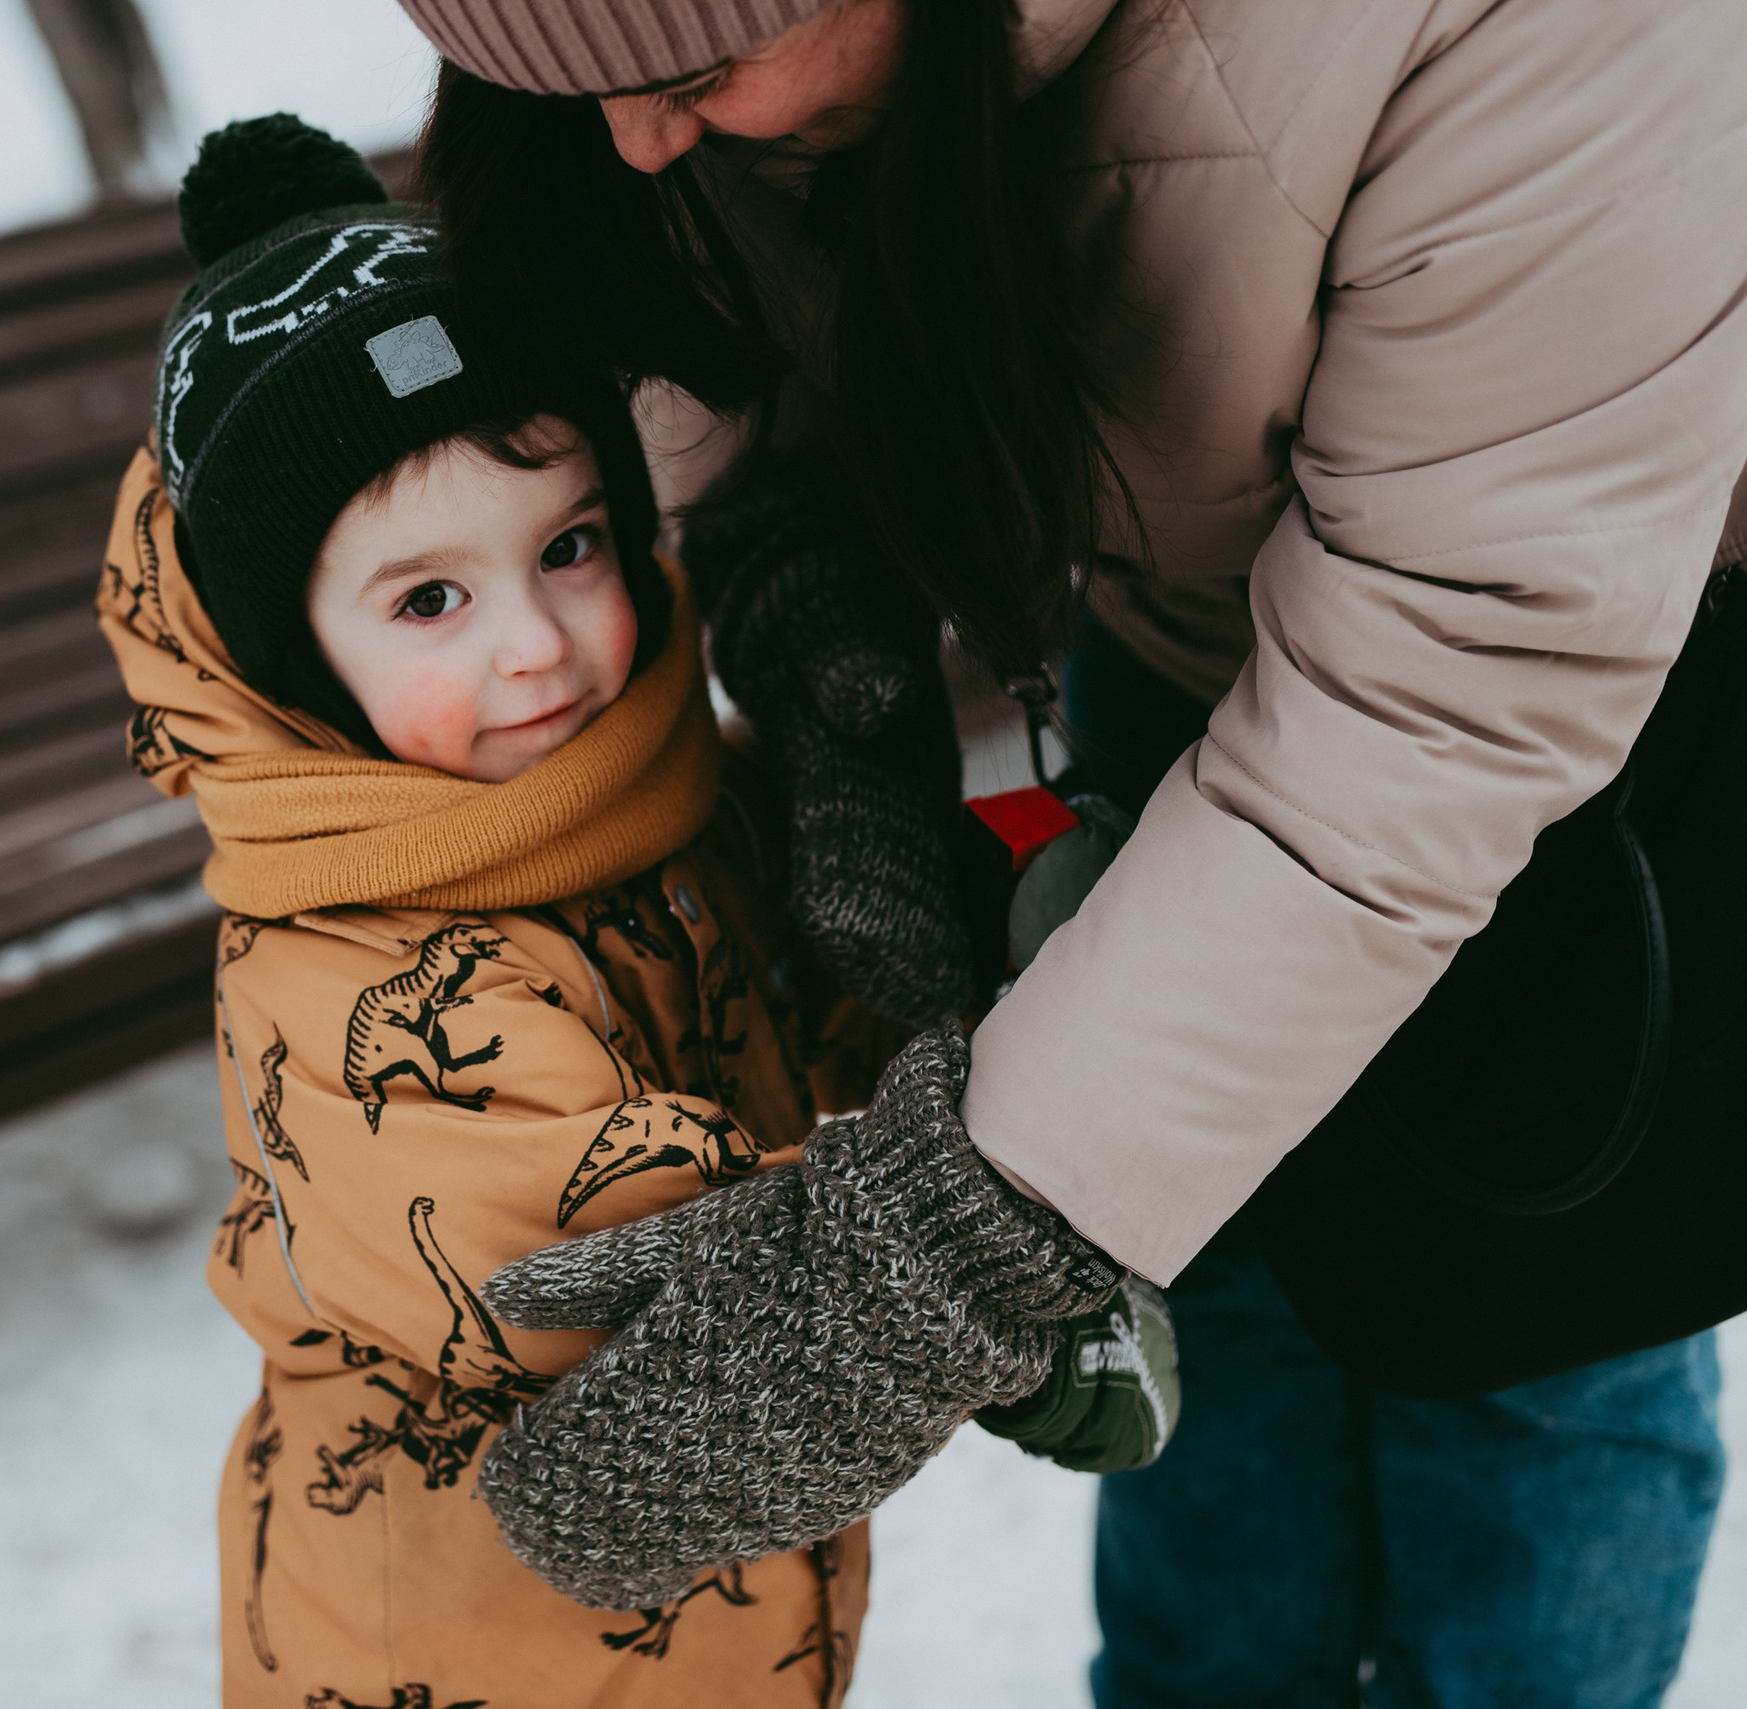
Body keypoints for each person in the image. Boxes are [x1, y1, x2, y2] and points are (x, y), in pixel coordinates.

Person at [389, 1, 1747, 1705]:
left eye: (684, 80)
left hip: (1578, 706)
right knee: (1199, 1282)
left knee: (1528, 1349)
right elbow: (726, 320)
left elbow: (1450, 682)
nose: (646, 141)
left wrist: (951, 1240)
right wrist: (830, 650)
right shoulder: (701, 92)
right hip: (1181, 655)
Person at [100, 113, 1174, 1709]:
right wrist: (982, 1254)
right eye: (431, 600)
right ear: (291, 662)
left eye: (573, 545)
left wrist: (924, 927)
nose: (536, 643)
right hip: (461, 1652)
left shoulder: (651, 805)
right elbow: (604, 1256)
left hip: (711, 1616)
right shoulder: (344, 985)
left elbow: (794, 1015)